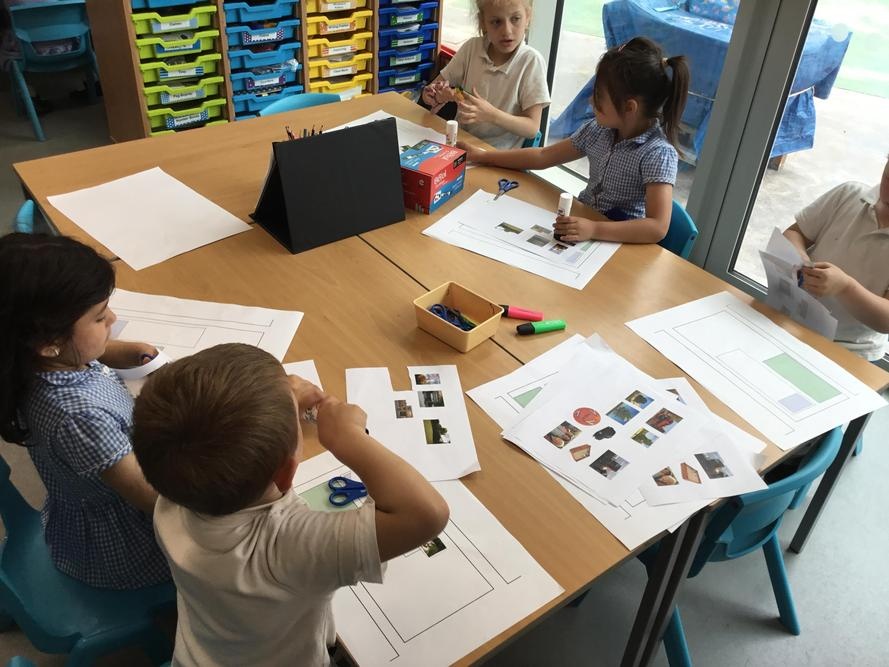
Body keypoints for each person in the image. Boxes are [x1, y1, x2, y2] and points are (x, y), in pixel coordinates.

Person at [132, 343, 449, 666]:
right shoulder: (285, 547)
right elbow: (426, 513)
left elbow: (206, 425)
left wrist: (273, 399)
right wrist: (349, 437)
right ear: (286, 473)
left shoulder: (172, 498)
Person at [0, 233, 169, 589]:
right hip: (126, 546)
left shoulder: (35, 360)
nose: (113, 319)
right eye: (99, 317)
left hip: (88, 505)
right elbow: (150, 497)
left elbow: (86, 351)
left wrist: (126, 351)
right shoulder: (80, 419)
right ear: (49, 342)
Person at [460, 36, 690, 244]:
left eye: (599, 96)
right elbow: (543, 156)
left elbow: (657, 227)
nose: (591, 101)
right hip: (583, 225)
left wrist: (595, 229)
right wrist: (484, 156)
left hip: (618, 241)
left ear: (629, 107)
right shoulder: (598, 130)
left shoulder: (657, 153)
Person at [783, 154, 889, 361]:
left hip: (850, 349)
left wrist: (845, 287)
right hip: (795, 317)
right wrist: (801, 259)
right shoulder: (848, 195)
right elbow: (794, 233)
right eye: (888, 176)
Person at [421, 0, 549, 150]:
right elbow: (437, 88)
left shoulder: (531, 62)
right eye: (496, 22)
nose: (507, 31)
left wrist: (491, 115)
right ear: (483, 22)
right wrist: (434, 95)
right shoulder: (471, 48)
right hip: (459, 144)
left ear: (527, 17)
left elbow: (532, 128)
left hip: (497, 156)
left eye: (515, 19)